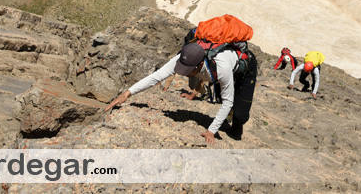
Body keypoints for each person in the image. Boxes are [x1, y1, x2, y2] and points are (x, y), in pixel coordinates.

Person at [104, 39, 258, 146]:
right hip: (220, 73)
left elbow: (228, 101)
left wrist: (211, 131)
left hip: (244, 68)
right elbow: (156, 76)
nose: (185, 73)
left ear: (199, 65)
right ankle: (228, 116)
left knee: (240, 113)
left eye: (188, 71)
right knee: (221, 97)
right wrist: (127, 93)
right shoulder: (184, 58)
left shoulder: (221, 67)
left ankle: (236, 128)